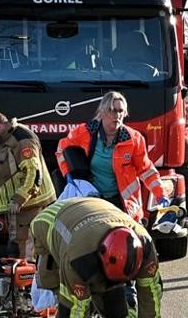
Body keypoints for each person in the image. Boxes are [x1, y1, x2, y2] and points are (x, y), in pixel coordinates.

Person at [30, 195, 164, 318]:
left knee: (114, 303)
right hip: (52, 224)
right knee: (67, 310)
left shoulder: (145, 246)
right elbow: (76, 314)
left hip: (96, 216)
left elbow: (150, 294)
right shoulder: (78, 260)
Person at [59, 91, 164, 221]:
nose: (117, 115)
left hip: (124, 206)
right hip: (93, 202)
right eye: (113, 111)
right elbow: (61, 150)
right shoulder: (84, 132)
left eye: (121, 111)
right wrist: (68, 174)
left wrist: (161, 195)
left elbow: (146, 170)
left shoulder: (134, 139)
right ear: (102, 112)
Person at [0, 110, 55, 255]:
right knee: (19, 244)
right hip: (20, 206)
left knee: (26, 247)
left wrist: (18, 200)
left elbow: (33, 172)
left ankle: (26, 276)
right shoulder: (6, 139)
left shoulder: (22, 140)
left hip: (29, 205)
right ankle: (19, 275)